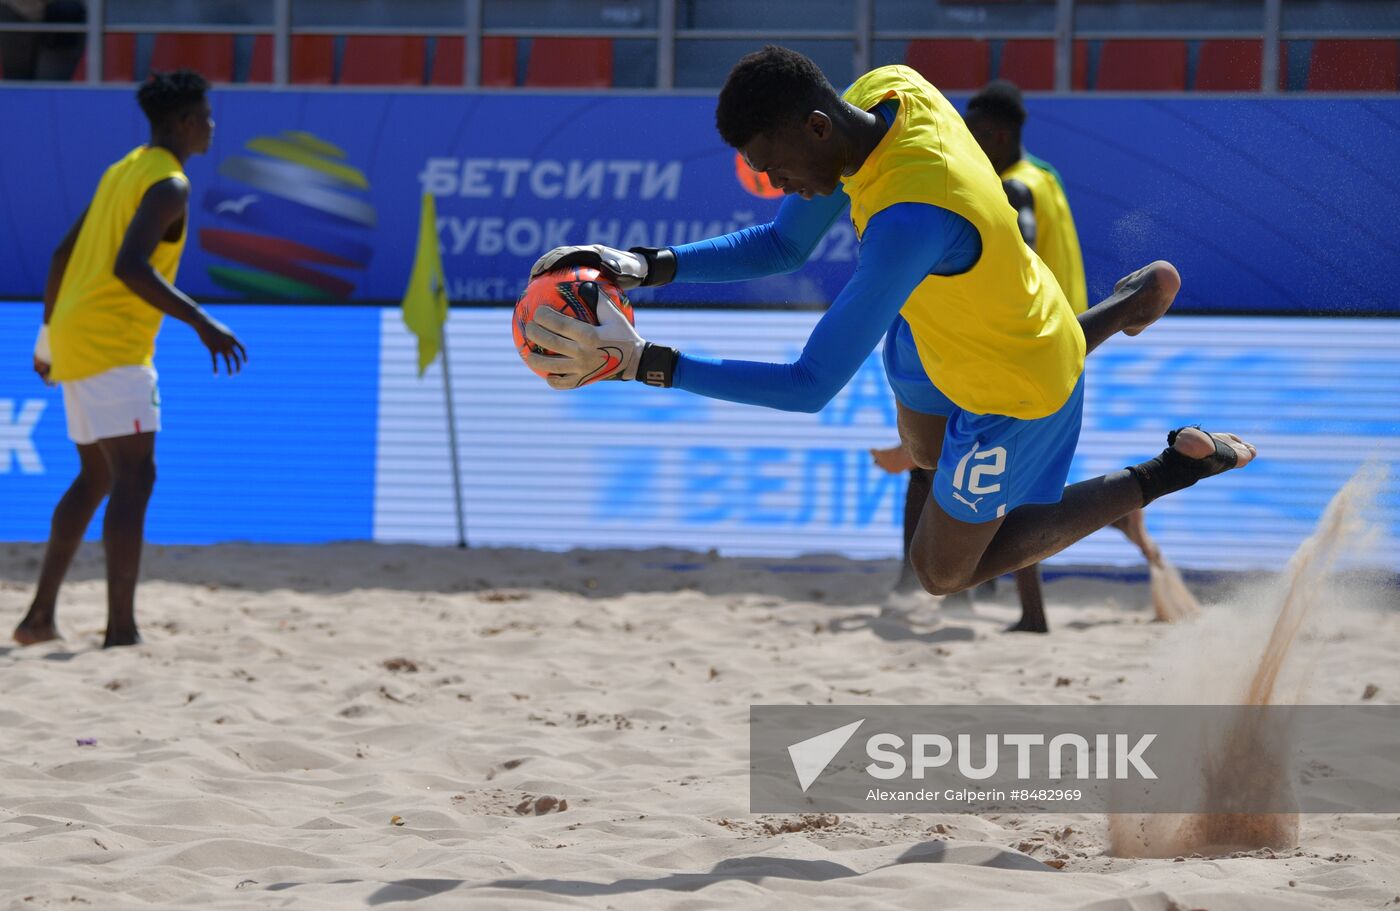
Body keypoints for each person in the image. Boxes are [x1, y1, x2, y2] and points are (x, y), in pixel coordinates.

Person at [521, 47, 1255, 603]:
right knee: (923, 447)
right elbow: (783, 244)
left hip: (1015, 383)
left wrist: (642, 361)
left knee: (943, 569)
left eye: (772, 170)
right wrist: (641, 264)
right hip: (948, 330)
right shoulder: (885, 90)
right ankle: (1125, 308)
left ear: (814, 128)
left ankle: (1172, 467)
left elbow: (809, 387)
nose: (777, 188)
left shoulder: (910, 220)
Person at [868, 79, 1181, 632]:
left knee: (965, 477)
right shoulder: (1046, 176)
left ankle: (979, 600)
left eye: (977, 131)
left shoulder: (1011, 188)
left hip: (1020, 345)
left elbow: (1023, 245)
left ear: (1002, 132)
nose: (969, 140)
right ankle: (1116, 529)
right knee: (1010, 483)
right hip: (1054, 338)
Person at [13, 69, 247, 649]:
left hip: (75, 332)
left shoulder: (124, 168)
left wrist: (47, 336)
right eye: (207, 116)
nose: (213, 126)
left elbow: (64, 251)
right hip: (112, 343)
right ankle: (121, 630)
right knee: (135, 478)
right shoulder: (169, 184)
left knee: (96, 476)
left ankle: (39, 618)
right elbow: (129, 267)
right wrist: (203, 322)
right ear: (186, 123)